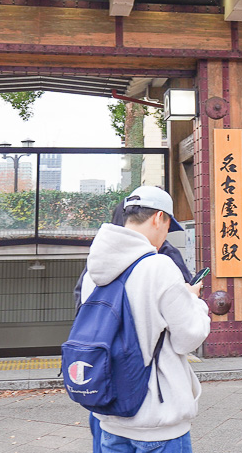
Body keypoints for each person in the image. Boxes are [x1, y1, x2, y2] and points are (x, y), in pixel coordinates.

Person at [79, 186, 211, 453]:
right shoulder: (159, 266)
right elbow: (189, 338)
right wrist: (194, 301)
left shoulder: (95, 269)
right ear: (158, 218)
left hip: (110, 416)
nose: (165, 236)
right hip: (157, 419)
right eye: (167, 227)